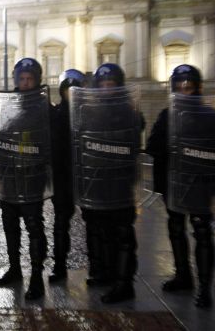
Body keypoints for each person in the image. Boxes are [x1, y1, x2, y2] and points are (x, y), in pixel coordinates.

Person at [146, 64, 215, 308]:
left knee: (202, 233)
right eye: (180, 88)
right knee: (176, 230)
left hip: (200, 184)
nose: (184, 92)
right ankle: (183, 275)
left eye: (189, 88)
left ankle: (204, 288)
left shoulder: (210, 116)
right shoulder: (166, 115)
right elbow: (152, 146)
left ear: (197, 89)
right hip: (174, 184)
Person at [74, 63, 142, 303]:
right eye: (102, 84)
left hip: (120, 182)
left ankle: (124, 283)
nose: (105, 89)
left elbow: (133, 144)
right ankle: (106, 273)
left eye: (110, 84)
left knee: (123, 234)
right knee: (101, 231)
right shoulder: (89, 111)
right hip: (97, 181)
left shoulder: (129, 111)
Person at [0, 57, 51, 300]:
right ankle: (15, 268)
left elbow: (44, 137)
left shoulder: (42, 106)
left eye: (29, 79)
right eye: (21, 79)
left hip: (32, 176)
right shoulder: (9, 104)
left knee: (34, 227)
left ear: (36, 80)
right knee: (10, 226)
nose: (25, 83)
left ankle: (36, 276)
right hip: (9, 176)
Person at [48, 69, 85, 283]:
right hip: (62, 177)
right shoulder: (56, 113)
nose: (71, 94)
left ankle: (99, 268)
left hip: (86, 176)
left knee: (95, 224)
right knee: (61, 223)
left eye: (75, 90)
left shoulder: (90, 112)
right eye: (67, 90)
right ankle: (59, 266)